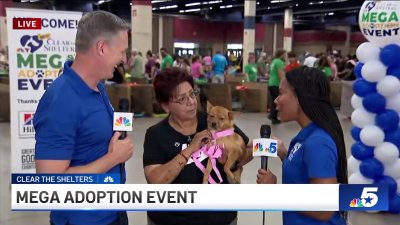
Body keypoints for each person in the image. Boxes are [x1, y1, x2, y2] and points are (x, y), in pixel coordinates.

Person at [33, 11, 134, 225]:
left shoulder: (97, 87)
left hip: (113, 212)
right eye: (122, 51)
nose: (124, 59)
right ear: (102, 48)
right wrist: (112, 159)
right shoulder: (60, 101)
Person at [143, 68, 252, 225]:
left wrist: (233, 162)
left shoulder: (213, 120)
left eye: (192, 94)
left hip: (220, 218)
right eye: (182, 99)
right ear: (165, 105)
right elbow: (155, 180)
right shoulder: (156, 134)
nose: (192, 101)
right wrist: (191, 148)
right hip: (170, 220)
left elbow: (249, 148)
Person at [257, 66, 348, 225]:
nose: (276, 100)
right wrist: (284, 153)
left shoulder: (318, 143)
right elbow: (304, 171)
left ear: (300, 96)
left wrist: (275, 191)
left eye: (280, 93)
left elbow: (324, 209)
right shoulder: (306, 136)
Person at [268, 49, 286, 125]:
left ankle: (272, 115)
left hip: (271, 83)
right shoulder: (279, 62)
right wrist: (284, 84)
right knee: (278, 101)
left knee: (274, 101)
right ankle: (274, 117)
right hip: (276, 83)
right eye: (285, 54)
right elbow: (280, 74)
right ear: (282, 54)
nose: (285, 56)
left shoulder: (274, 61)